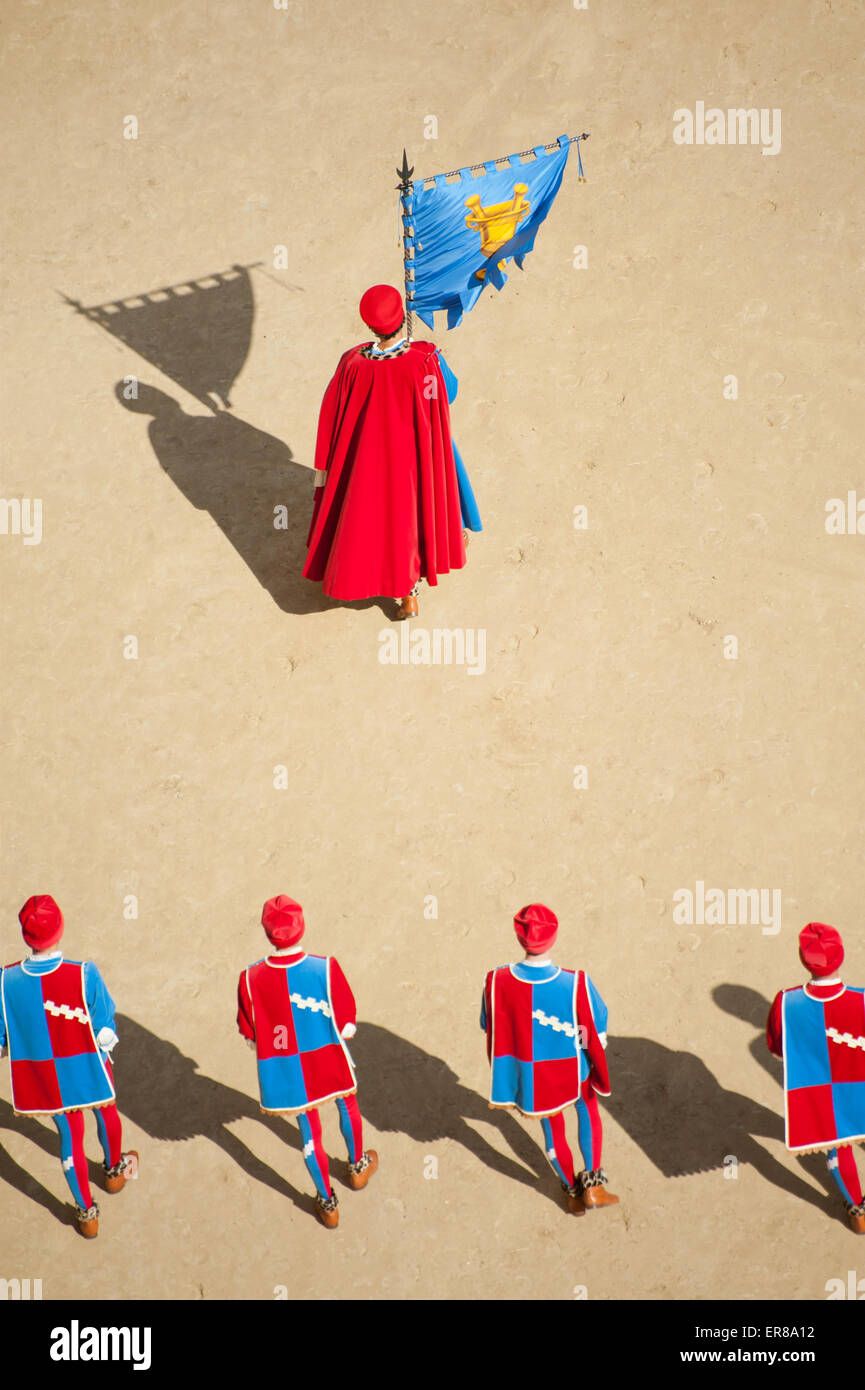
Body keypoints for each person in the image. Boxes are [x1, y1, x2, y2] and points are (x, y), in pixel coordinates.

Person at [303, 284, 469, 619]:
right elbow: (446, 398)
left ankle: (374, 580)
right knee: (409, 521)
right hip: (410, 462)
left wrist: (325, 468)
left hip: (363, 463)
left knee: (370, 521)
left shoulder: (352, 363)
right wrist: (426, 354)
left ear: (369, 325)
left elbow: (332, 416)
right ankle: (409, 595)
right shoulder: (422, 361)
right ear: (401, 317)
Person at [0, 895, 137, 1238]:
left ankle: (87, 1214)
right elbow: (105, 1029)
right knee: (106, 1113)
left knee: (70, 1137)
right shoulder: (84, 973)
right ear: (60, 929)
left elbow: (3, 1039)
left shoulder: (5, 981)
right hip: (87, 1063)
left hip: (45, 1074)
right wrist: (104, 1053)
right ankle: (115, 1171)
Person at [236, 895, 377, 1228]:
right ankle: (357, 1168)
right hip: (326, 1056)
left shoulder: (250, 977)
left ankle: (327, 1202)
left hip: (287, 1066)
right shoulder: (324, 967)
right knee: (347, 1107)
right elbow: (347, 1024)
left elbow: (249, 1033)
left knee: (309, 1132)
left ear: (267, 932)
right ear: (301, 926)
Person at [481, 903, 618, 1214]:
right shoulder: (575, 982)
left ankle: (571, 1191)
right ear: (553, 937)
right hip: (572, 1069)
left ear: (519, 938)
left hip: (532, 1077)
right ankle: (594, 1184)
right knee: (588, 1109)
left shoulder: (495, 981)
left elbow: (488, 1024)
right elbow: (595, 1025)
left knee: (552, 1128)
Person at [767, 921, 865, 1233]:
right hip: (859, 1082)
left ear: (802, 958)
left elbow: (777, 1045)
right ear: (842, 955)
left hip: (817, 1089)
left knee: (837, 1147)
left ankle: (859, 1211)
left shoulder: (786, 1001)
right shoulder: (862, 999)